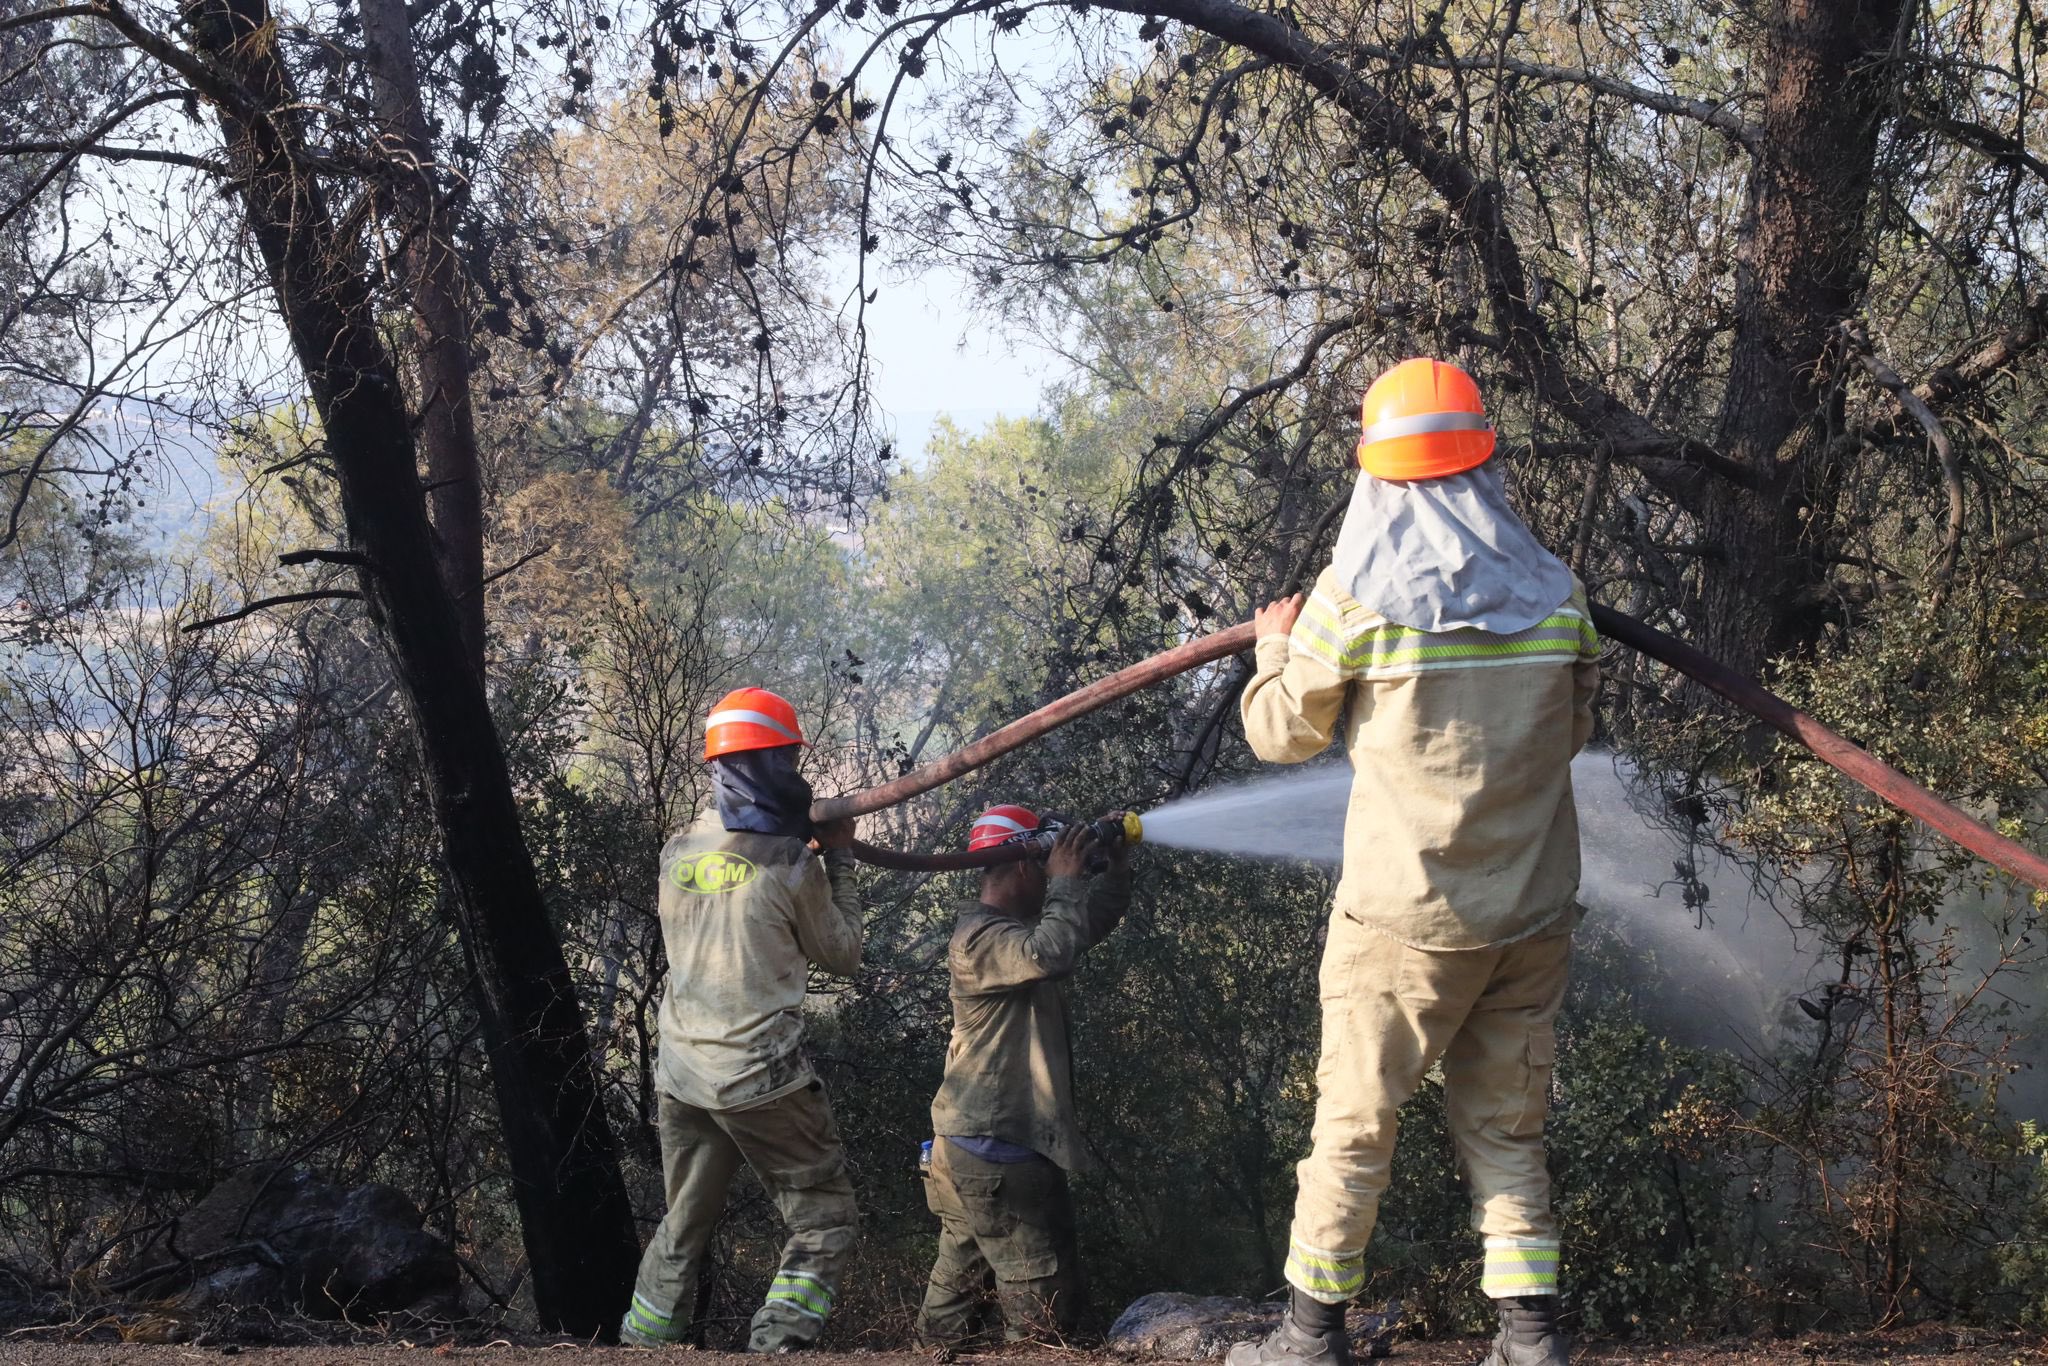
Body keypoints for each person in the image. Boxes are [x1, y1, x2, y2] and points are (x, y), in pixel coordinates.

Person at [1229, 359, 1600, 1366]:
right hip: (1526, 921)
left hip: (1399, 925)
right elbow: (1568, 732)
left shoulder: (1354, 609)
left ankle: (1306, 1340)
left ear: (1378, 478)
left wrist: (1272, 645)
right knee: (1508, 1130)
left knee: (1353, 1126)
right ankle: (1528, 1338)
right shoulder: (1559, 600)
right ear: (1484, 465)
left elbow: (1277, 734)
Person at [620, 687, 863, 1353]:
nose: (794, 768)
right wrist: (838, 858)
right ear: (773, 761)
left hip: (684, 1074)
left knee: (683, 1222)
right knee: (824, 1216)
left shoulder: (676, 852)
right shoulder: (791, 865)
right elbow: (843, 956)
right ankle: (780, 1343)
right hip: (761, 1078)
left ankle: (642, 1346)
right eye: (787, 756)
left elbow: (733, 874)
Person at [915, 806, 1133, 1346]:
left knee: (957, 1290)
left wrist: (1118, 868)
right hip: (997, 1151)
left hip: (973, 1148)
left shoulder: (1012, 939)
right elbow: (1053, 951)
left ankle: (927, 1354)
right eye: (1047, 862)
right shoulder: (980, 940)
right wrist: (1065, 881)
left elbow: (1084, 926)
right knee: (1044, 1307)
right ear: (1021, 868)